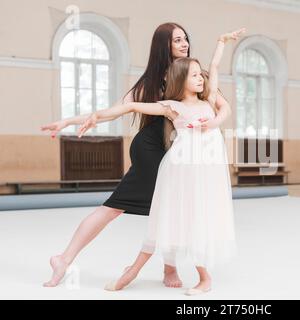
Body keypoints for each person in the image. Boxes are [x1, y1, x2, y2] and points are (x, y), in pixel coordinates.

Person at [39, 22, 232, 288]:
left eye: (185, 38)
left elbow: (221, 105)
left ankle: (169, 269)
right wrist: (68, 121)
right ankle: (64, 259)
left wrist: (213, 123)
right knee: (119, 207)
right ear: (164, 45)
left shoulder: (196, 75)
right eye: (177, 40)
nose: (184, 43)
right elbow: (119, 108)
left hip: (179, 150)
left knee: (175, 206)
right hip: (152, 150)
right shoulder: (151, 82)